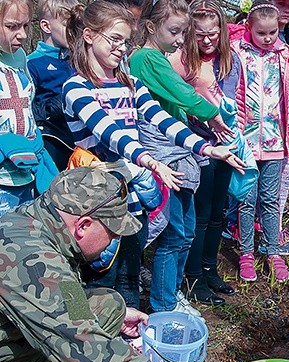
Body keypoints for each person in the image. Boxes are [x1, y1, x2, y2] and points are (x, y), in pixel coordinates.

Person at [0, 167, 230, 362]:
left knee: (110, 306)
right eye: (112, 232)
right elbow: (87, 349)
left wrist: (114, 319)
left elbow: (63, 302)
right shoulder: (33, 258)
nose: (114, 241)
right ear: (83, 225)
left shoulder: (37, 222)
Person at [63, 0, 243, 313]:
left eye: (125, 41)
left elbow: (163, 119)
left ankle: (131, 338)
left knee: (130, 276)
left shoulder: (130, 83)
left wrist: (205, 147)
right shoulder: (76, 87)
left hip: (131, 194)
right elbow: (110, 133)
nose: (121, 49)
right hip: (94, 196)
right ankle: (91, 342)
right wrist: (150, 161)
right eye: (114, 39)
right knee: (100, 277)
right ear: (90, 37)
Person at [129, 0, 242, 316]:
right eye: (175, 31)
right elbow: (180, 92)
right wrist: (212, 114)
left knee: (186, 230)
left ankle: (173, 291)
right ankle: (164, 302)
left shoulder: (158, 57)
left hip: (180, 151)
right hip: (164, 156)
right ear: (151, 28)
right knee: (174, 232)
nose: (181, 40)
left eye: (183, 32)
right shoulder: (146, 59)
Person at [231, 0, 289, 283]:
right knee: (246, 201)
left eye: (273, 33)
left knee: (270, 200)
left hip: (276, 144)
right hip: (244, 143)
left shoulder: (285, 55)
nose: (268, 39)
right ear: (250, 28)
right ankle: (246, 253)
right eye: (262, 33)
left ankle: (273, 251)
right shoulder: (236, 54)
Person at [170, 0, 241, 306]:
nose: (207, 39)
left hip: (225, 142)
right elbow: (175, 103)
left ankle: (210, 270)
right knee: (198, 216)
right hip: (197, 146)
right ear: (190, 34)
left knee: (218, 213)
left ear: (222, 31)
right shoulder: (181, 61)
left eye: (213, 33)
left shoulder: (230, 60)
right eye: (200, 34)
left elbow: (233, 102)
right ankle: (194, 277)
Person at [0, 0, 58, 217]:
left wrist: (34, 140)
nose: (23, 35)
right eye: (12, 26)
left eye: (25, 26)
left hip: (26, 173)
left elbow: (25, 104)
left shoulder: (19, 57)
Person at [27, 0, 79, 171]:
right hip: (52, 143)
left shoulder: (78, 61)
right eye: (67, 25)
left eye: (75, 26)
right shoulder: (31, 64)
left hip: (79, 143)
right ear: (46, 26)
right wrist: (55, 106)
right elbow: (28, 111)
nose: (73, 32)